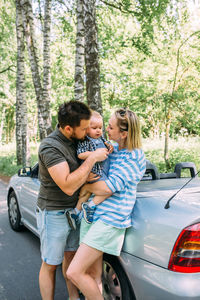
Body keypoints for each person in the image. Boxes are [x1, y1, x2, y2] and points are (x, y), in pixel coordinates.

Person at [66, 108, 146, 300]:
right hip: (92, 215)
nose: (106, 130)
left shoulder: (134, 157)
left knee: (73, 272)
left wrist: (85, 185)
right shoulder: (112, 148)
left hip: (110, 220)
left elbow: (107, 188)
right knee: (94, 275)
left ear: (124, 133)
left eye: (110, 127)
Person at [36, 100, 109, 300]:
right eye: (84, 128)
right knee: (50, 264)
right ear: (68, 128)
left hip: (76, 211)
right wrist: (93, 158)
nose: (88, 131)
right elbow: (68, 185)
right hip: (54, 213)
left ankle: (73, 297)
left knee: (71, 257)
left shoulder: (77, 139)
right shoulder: (50, 147)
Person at [67, 110, 113, 228]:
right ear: (86, 129)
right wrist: (94, 154)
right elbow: (80, 155)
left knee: (85, 195)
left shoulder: (101, 138)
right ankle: (90, 206)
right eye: (94, 128)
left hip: (100, 171)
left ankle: (75, 213)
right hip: (94, 172)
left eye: (100, 128)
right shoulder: (85, 141)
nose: (98, 130)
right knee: (109, 190)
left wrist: (109, 145)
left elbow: (106, 143)